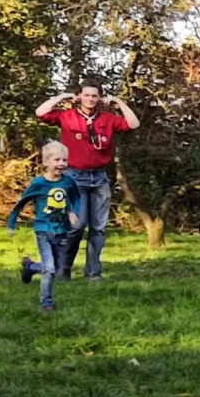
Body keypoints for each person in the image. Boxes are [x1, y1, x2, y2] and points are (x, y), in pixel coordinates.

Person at [35, 80, 140, 281]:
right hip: (75, 176)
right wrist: (62, 97)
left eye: (94, 96)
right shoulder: (67, 117)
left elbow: (133, 124)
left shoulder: (108, 119)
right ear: (79, 97)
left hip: (99, 177)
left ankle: (93, 273)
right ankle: (63, 268)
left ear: (99, 98)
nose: (90, 99)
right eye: (86, 95)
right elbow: (41, 113)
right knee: (76, 225)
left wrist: (119, 103)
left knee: (98, 228)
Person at [6, 141, 81, 312]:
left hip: (62, 231)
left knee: (59, 269)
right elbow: (21, 203)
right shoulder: (38, 184)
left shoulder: (69, 181)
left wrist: (73, 212)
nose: (62, 164)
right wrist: (11, 224)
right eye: (57, 160)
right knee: (49, 268)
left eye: (64, 160)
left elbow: (76, 198)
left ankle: (31, 267)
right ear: (46, 162)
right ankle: (46, 303)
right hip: (43, 230)